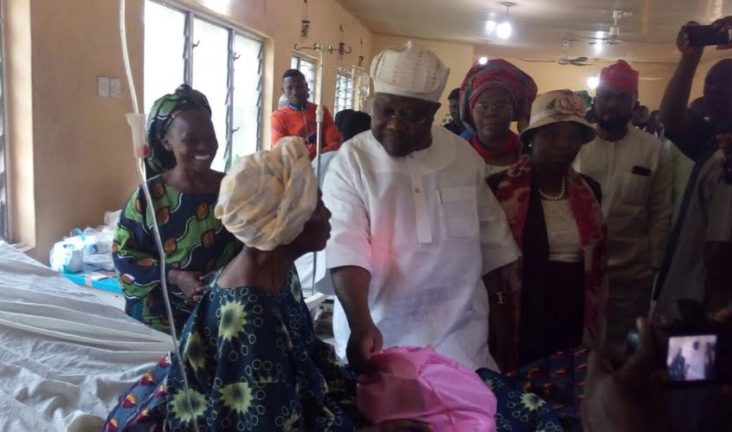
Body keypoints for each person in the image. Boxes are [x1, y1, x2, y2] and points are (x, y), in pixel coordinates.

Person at [102, 138, 565, 432]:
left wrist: (364, 375)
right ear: (284, 224)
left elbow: (306, 358)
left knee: (485, 398)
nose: (329, 216)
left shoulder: (275, 275)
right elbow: (266, 421)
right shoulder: (249, 317)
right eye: (317, 207)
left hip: (299, 404)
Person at [321, 41, 520, 373]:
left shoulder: (463, 157)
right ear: (373, 105)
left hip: (461, 337)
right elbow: (345, 246)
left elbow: (492, 241)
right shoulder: (353, 161)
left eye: (412, 115)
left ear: (434, 112)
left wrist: (500, 309)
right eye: (385, 112)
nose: (396, 125)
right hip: (378, 334)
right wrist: (360, 324)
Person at [488, 90, 607, 367]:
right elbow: (487, 257)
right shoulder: (499, 188)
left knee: (570, 377)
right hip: (523, 303)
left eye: (573, 136)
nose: (564, 145)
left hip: (575, 302)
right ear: (531, 139)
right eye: (552, 134)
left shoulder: (590, 189)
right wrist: (497, 307)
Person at [113, 85, 241, 335]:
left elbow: (255, 245)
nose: (205, 147)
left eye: (210, 137)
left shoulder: (234, 190)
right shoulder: (150, 197)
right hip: (163, 320)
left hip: (223, 314)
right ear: (166, 143)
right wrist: (175, 277)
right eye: (191, 140)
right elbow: (125, 255)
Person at [654, 68, 732, 322]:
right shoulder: (730, 147)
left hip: (724, 305)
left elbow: (722, 252)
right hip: (706, 297)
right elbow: (671, 116)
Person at [575, 60, 673, 351]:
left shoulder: (653, 149)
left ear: (635, 102)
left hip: (631, 271)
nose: (612, 105)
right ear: (596, 100)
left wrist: (654, 262)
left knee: (624, 347)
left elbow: (660, 210)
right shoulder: (578, 144)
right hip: (579, 267)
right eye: (606, 96)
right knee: (579, 341)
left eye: (621, 98)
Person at [458, 59, 538, 176]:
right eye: (482, 106)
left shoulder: (531, 157)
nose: (491, 113)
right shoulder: (456, 155)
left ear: (514, 110)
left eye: (501, 105)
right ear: (471, 111)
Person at [270, 69, 342, 158]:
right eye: (289, 88)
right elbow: (281, 152)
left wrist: (316, 157)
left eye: (299, 86)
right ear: (283, 91)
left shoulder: (321, 111)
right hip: (296, 166)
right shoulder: (278, 117)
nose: (295, 92)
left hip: (323, 163)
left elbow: (335, 144)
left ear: (306, 86)